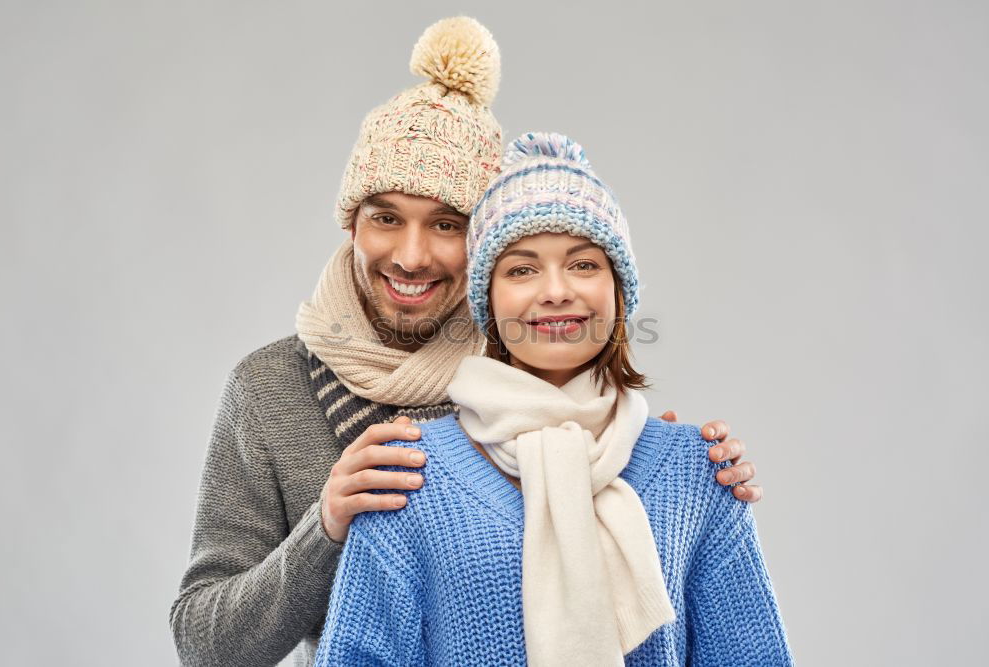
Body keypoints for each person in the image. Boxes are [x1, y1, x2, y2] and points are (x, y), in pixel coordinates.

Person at [170, 18, 764, 667]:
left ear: (483, 247)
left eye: (447, 223)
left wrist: (656, 461)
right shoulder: (270, 388)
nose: (412, 254)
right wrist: (328, 524)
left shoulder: (529, 353)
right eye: (385, 218)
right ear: (352, 223)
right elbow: (205, 645)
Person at [313, 133, 792, 666]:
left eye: (584, 264)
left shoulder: (699, 471)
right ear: (487, 301)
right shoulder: (408, 477)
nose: (556, 290)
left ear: (618, 289)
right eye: (521, 269)